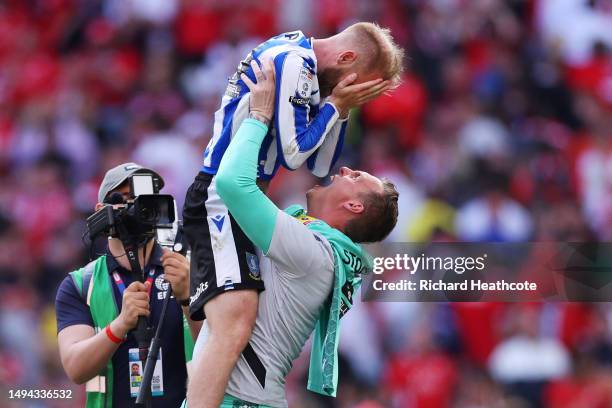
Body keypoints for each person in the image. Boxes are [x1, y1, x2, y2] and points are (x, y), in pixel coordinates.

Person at [183, 22, 404, 407]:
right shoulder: (295, 62)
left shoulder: (313, 249)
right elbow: (301, 157)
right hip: (242, 398)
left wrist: (265, 115)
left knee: (233, 321)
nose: (345, 170)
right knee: (230, 321)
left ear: (354, 207)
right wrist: (337, 106)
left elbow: (250, 178)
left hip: (245, 401)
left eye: (356, 177)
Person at [55, 163, 201, 407]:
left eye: (144, 199)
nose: (135, 206)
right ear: (102, 211)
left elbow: (220, 350)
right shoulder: (80, 285)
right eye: (123, 198)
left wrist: (187, 299)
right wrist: (119, 326)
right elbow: (75, 368)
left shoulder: (185, 269)